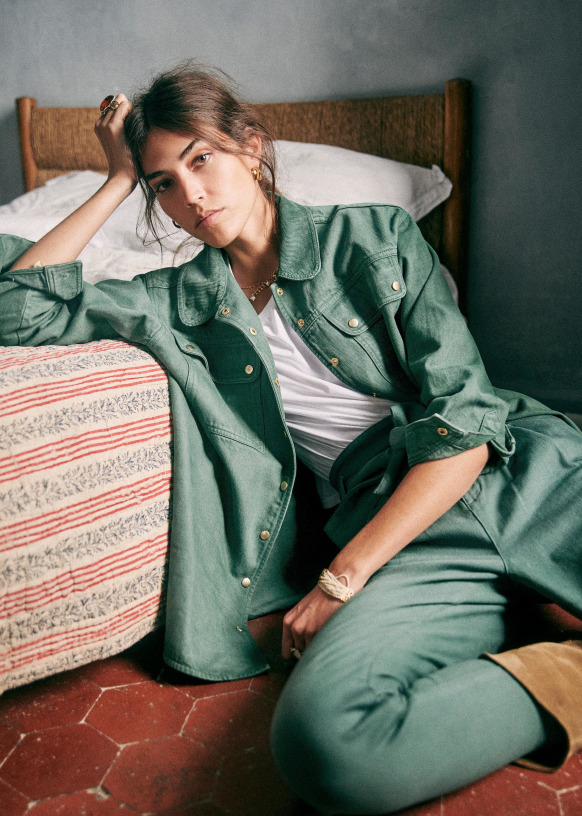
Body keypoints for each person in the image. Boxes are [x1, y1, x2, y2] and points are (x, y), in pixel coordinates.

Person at [1, 62, 581, 815]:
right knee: (329, 747)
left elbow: (467, 423)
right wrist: (116, 178)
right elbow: (18, 311)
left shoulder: (376, 235)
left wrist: (340, 578)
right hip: (402, 536)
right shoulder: (172, 301)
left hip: (517, 470)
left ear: (250, 147)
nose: (190, 195)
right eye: (163, 183)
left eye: (201, 159)